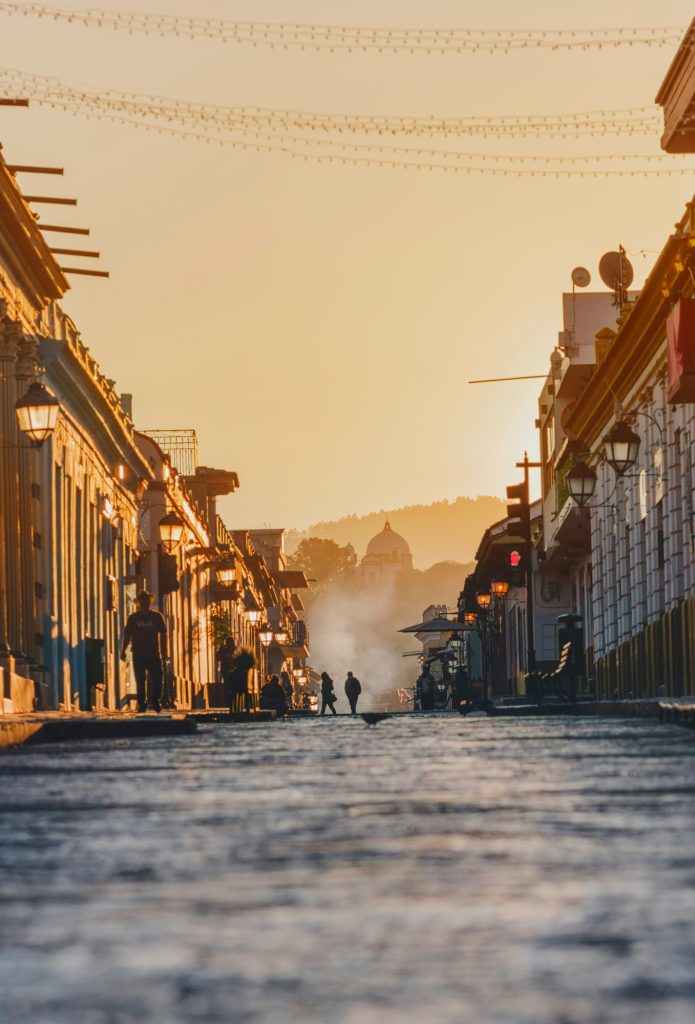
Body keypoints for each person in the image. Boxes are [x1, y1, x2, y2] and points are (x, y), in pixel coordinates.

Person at [121, 590, 167, 712]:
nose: (145, 602)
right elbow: (127, 636)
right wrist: (123, 651)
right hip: (138, 654)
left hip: (154, 653)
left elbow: (163, 634)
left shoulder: (157, 617)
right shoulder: (133, 618)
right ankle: (142, 703)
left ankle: (155, 699)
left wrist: (164, 651)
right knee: (140, 680)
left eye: (147, 600)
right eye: (142, 600)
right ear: (139, 603)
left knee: (158, 679)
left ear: (149, 602)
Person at [216, 635, 236, 705]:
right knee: (227, 686)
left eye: (231, 644)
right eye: (229, 644)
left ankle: (229, 701)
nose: (230, 645)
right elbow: (217, 657)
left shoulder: (235, 649)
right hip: (226, 671)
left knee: (229, 686)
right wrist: (224, 656)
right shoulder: (223, 649)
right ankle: (227, 702)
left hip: (232, 671)